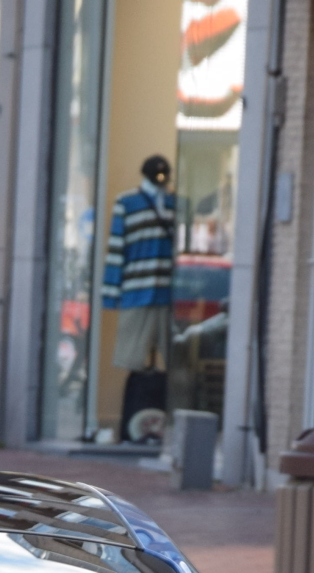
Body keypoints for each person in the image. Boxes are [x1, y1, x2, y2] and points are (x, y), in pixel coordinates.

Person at [100, 154, 177, 442]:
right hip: (136, 292)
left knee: (172, 361)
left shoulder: (175, 203)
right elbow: (116, 249)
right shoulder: (126, 203)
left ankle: (161, 427)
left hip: (167, 293)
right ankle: (131, 427)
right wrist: (111, 294)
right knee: (133, 360)